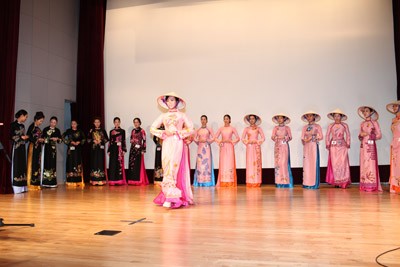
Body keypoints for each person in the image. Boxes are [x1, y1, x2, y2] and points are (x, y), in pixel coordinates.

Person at [150, 92, 194, 208]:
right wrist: (164, 132)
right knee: (166, 166)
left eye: (172, 100)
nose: (170, 102)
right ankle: (167, 195)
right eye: (168, 100)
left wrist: (179, 133)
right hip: (167, 142)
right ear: (165, 102)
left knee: (173, 167)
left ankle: (172, 197)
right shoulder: (163, 116)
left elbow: (191, 129)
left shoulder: (182, 115)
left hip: (177, 142)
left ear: (177, 102)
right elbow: (152, 128)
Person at [358, 106, 382, 192]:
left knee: (371, 164)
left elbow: (379, 135)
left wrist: (369, 134)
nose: (365, 113)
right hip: (363, 146)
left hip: (371, 146)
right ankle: (364, 184)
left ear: (371, 112)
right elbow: (359, 136)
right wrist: (361, 135)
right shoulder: (362, 123)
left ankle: (372, 185)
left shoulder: (374, 123)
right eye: (364, 111)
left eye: (367, 111)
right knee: (364, 164)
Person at [325, 109, 351, 189]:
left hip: (342, 146)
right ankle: (336, 181)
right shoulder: (331, 125)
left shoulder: (344, 125)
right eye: (335, 116)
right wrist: (328, 143)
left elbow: (348, 135)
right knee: (335, 163)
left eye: (338, 116)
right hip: (333, 146)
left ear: (341, 116)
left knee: (343, 163)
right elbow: (327, 135)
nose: (336, 117)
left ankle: (343, 181)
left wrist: (348, 143)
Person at [215, 114, 240, 187]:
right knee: (223, 163)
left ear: (229, 120)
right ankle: (223, 181)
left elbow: (238, 138)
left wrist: (231, 141)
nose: (226, 120)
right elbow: (215, 137)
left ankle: (230, 181)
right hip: (223, 147)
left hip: (229, 147)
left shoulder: (232, 128)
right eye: (225, 119)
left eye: (227, 119)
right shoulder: (221, 128)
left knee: (230, 162)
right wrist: (220, 142)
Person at [301, 111, 323, 189]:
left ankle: (314, 183)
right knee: (306, 164)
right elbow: (302, 138)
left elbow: (321, 136)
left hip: (313, 146)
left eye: (310, 116)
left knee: (313, 163)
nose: (309, 118)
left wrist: (313, 137)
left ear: (314, 116)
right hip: (306, 147)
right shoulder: (304, 127)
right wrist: (305, 140)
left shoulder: (317, 126)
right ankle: (306, 183)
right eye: (307, 116)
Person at [242, 114, 265, 187]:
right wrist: (248, 141)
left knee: (256, 163)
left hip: (256, 147)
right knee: (250, 163)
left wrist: (256, 141)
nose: (252, 120)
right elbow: (242, 138)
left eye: (253, 119)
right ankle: (250, 181)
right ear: (249, 120)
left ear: (255, 120)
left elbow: (263, 138)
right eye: (250, 119)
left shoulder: (259, 128)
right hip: (249, 147)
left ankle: (257, 181)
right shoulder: (246, 129)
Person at [271, 114, 293, 188]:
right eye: (278, 118)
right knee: (278, 163)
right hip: (277, 146)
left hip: (284, 146)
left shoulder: (287, 128)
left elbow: (290, 136)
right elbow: (272, 137)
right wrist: (277, 138)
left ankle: (286, 181)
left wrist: (284, 137)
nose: (280, 120)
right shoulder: (275, 128)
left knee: (284, 163)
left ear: (284, 119)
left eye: (281, 118)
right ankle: (278, 182)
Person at [193, 115, 216, 187]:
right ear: (200, 121)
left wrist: (207, 140)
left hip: (206, 148)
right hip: (200, 148)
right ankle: (200, 181)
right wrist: (199, 141)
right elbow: (194, 138)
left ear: (206, 121)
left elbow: (214, 137)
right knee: (200, 163)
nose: (203, 121)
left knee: (207, 163)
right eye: (202, 119)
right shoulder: (198, 130)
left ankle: (207, 181)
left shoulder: (209, 129)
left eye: (204, 119)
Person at [10, 109, 29, 193]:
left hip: (22, 147)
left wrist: (24, 138)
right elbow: (11, 136)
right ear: (21, 116)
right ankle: (16, 186)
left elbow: (22, 136)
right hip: (16, 148)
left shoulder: (23, 126)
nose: (26, 118)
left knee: (22, 165)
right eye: (25, 116)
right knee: (16, 165)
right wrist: (20, 138)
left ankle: (22, 186)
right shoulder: (12, 125)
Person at [62, 120, 86, 187]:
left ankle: (78, 180)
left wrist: (79, 142)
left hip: (77, 150)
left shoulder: (80, 131)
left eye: (74, 123)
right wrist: (69, 142)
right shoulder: (68, 131)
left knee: (77, 162)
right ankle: (70, 180)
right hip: (70, 150)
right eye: (72, 124)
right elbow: (62, 137)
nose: (73, 125)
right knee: (70, 162)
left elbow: (84, 139)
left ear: (77, 124)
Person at [26, 111, 45, 190]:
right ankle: (31, 183)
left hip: (38, 148)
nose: (41, 122)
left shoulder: (38, 129)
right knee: (32, 163)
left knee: (37, 164)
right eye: (40, 121)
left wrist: (42, 140)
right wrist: (37, 139)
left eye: (42, 121)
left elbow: (42, 137)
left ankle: (36, 182)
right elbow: (28, 136)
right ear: (36, 119)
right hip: (33, 147)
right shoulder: (31, 127)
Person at [42, 116, 62, 188]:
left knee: (53, 163)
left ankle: (53, 182)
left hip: (53, 149)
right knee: (46, 162)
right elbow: (43, 138)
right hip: (46, 148)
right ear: (50, 122)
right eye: (52, 122)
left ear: (56, 123)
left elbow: (60, 140)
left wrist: (57, 139)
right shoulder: (45, 129)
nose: (53, 124)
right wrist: (50, 139)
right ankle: (45, 181)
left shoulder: (57, 130)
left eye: (54, 122)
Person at [87, 117, 109, 185]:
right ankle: (94, 180)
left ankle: (101, 180)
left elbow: (106, 139)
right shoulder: (91, 130)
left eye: (98, 122)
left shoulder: (103, 130)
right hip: (93, 149)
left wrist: (101, 140)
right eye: (95, 122)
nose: (97, 123)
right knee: (94, 162)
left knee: (100, 162)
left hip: (100, 149)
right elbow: (88, 139)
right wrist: (93, 141)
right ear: (94, 123)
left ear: (100, 123)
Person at [127, 117, 149, 185]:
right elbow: (131, 139)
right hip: (133, 149)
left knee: (137, 165)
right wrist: (132, 140)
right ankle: (132, 180)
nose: (136, 123)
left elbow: (144, 141)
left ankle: (139, 180)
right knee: (132, 165)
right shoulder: (133, 130)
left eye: (137, 122)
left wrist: (143, 150)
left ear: (139, 123)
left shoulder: (142, 131)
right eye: (134, 122)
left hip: (139, 150)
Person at [108, 117, 127, 186]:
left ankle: (119, 180)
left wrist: (124, 149)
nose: (117, 123)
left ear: (120, 122)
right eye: (115, 122)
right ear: (114, 123)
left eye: (118, 122)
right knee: (113, 164)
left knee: (119, 164)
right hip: (113, 149)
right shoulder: (111, 131)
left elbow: (123, 140)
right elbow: (110, 141)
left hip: (119, 149)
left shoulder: (122, 131)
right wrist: (109, 150)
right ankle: (112, 180)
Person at [387, 101, 400, 193]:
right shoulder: (393, 120)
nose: (395, 108)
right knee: (395, 165)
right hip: (394, 143)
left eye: (396, 106)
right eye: (394, 106)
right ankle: (395, 186)